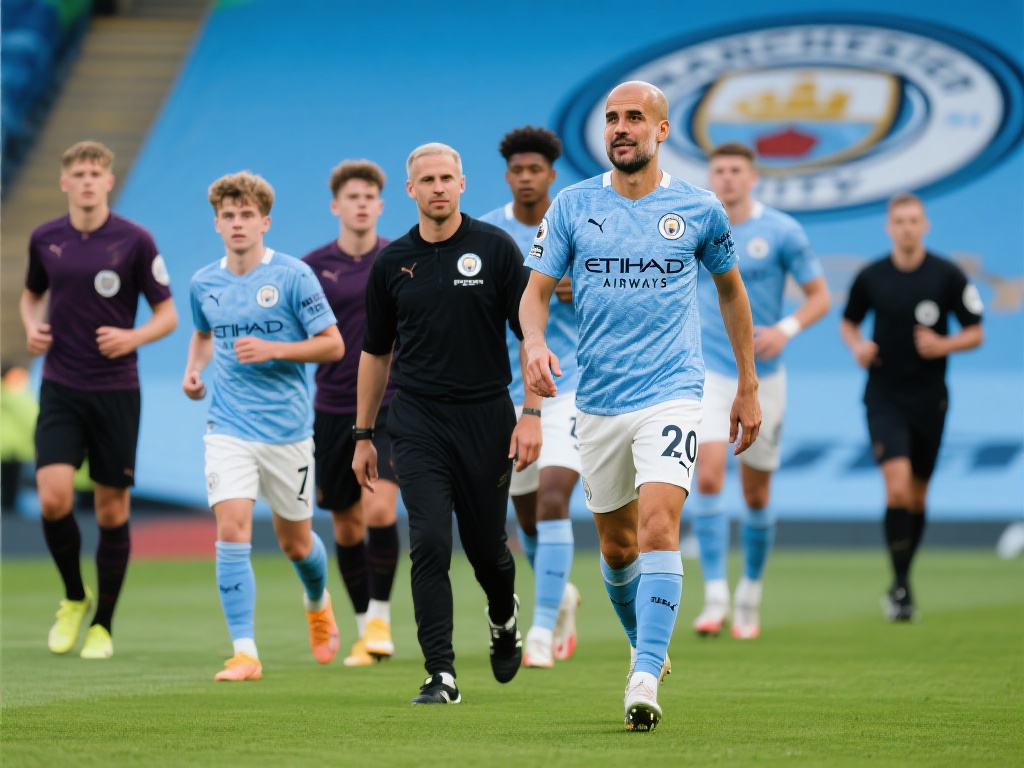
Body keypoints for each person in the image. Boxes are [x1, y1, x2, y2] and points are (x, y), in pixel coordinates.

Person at [521, 81, 760, 732]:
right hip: (597, 399)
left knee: (658, 529)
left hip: (673, 392)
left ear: (661, 130)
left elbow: (732, 292)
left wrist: (746, 382)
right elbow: (535, 291)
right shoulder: (573, 205)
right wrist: (535, 342)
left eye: (634, 118)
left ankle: (644, 675)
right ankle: (643, 640)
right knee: (618, 548)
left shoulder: (699, 208)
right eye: (611, 119)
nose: (620, 128)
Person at [353, 142, 534, 705]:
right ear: (410, 190)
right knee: (429, 541)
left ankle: (503, 617)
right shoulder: (392, 262)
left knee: (487, 552)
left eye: (446, 178)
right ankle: (441, 674)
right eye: (426, 180)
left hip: (487, 418)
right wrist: (363, 435)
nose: (437, 187)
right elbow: (375, 353)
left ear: (462, 184)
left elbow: (532, 336)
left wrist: (532, 413)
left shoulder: (496, 249)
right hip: (418, 419)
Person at [182, 171, 346, 681]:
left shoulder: (294, 276)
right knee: (231, 529)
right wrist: (194, 370)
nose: (237, 223)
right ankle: (245, 652)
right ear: (216, 223)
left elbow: (333, 345)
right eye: (228, 215)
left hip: (288, 431)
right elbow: (203, 334)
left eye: (246, 215)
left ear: (265, 222)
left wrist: (275, 348)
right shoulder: (203, 283)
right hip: (227, 426)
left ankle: (317, 601)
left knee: (296, 543)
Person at [20, 140, 178, 659]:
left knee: (111, 510)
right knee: (53, 497)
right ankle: (74, 596)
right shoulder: (45, 238)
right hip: (61, 386)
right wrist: (32, 327)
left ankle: (103, 625)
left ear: (108, 181)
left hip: (116, 391)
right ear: (64, 182)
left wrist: (133, 337)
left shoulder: (134, 240)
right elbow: (31, 295)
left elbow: (167, 314)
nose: (87, 181)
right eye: (79, 173)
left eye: (96, 174)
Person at [691, 142, 831, 640]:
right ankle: (715, 595)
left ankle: (749, 591)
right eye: (719, 171)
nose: (727, 178)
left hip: (762, 375)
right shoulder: (696, 224)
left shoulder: (781, 230)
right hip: (708, 370)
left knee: (756, 490)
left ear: (752, 178)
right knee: (708, 476)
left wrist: (786, 329)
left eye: (736, 170)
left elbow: (820, 296)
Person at [840, 193, 983, 622]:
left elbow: (975, 332)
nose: (906, 227)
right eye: (899, 221)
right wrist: (857, 346)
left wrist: (944, 344)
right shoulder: (871, 276)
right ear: (889, 227)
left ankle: (901, 580)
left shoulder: (947, 275)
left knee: (918, 496)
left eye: (913, 220)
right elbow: (849, 322)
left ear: (925, 225)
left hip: (929, 399)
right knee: (898, 487)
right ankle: (901, 588)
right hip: (884, 396)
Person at [479, 126, 582, 668]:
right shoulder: (488, 234)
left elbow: (617, 294)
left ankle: (539, 631)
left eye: (534, 170)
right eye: (517, 170)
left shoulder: (576, 226)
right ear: (507, 176)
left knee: (553, 499)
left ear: (551, 175)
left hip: (569, 387)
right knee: (526, 520)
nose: (525, 178)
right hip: (506, 393)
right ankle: (560, 595)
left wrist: (580, 287)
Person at [302, 159, 401, 667]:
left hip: (389, 404)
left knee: (379, 510)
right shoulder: (311, 268)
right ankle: (365, 629)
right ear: (335, 206)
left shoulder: (400, 258)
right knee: (345, 526)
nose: (360, 205)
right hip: (332, 408)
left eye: (368, 197)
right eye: (352, 197)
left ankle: (380, 619)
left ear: (380, 206)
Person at [1, 364, 39, 513]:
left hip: (16, 447)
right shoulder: (12, 395)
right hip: (9, 446)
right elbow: (31, 418)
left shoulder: (20, 395)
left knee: (11, 479)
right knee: (9, 478)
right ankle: (8, 505)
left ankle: (8, 504)